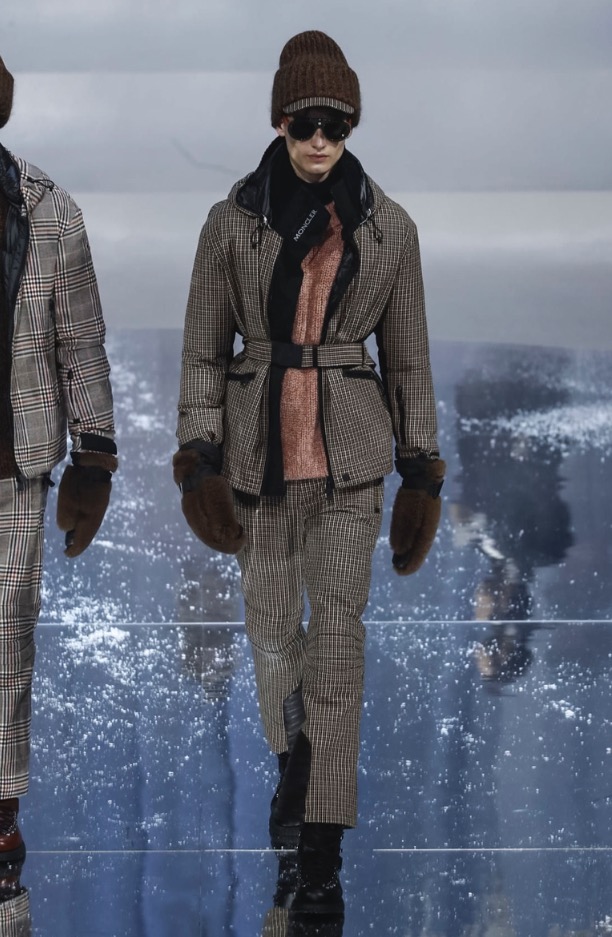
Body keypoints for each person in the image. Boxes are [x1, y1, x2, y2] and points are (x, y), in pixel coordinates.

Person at [173, 31, 444, 916]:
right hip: (258, 457)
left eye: (336, 124)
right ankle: (296, 766)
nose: (321, 140)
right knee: (267, 630)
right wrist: (198, 458)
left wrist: (422, 471)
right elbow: (203, 352)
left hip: (349, 459)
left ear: (352, 125)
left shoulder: (390, 229)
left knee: (338, 639)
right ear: (280, 122)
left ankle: (317, 843)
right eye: (305, 123)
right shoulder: (230, 224)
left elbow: (408, 360)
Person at [0, 57, 117, 862]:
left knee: (7, 631)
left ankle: (0, 803)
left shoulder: (49, 210)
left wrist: (94, 456)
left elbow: (81, 342)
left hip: (16, 460)